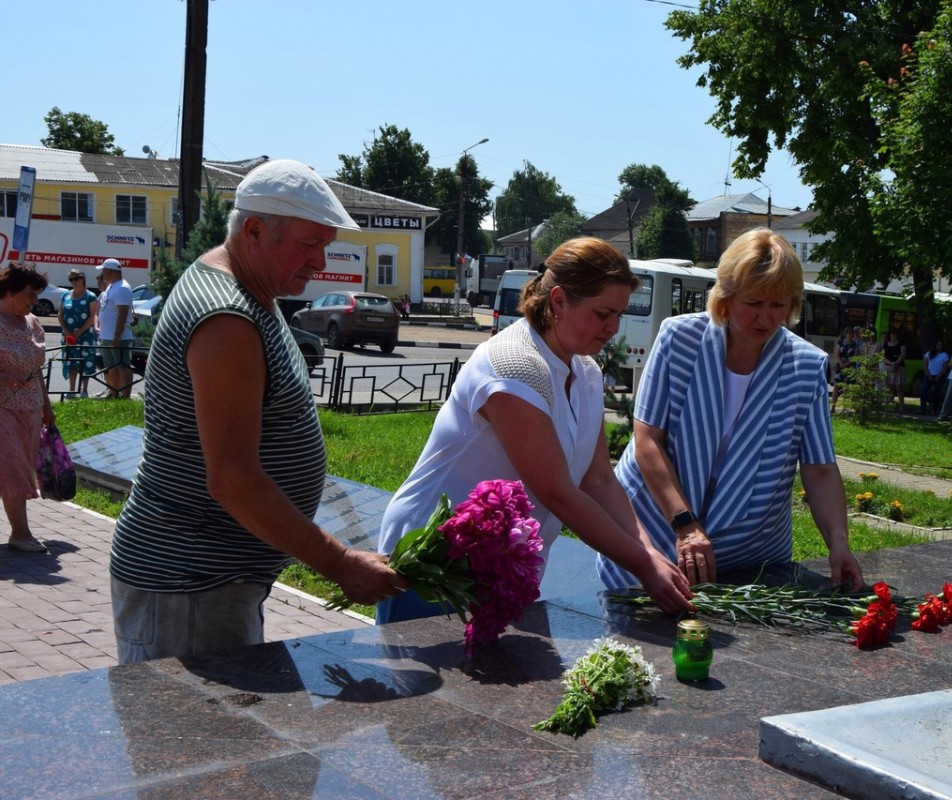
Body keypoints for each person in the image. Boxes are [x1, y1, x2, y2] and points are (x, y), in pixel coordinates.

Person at [109, 159, 404, 664]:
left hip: (211, 582)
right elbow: (233, 478)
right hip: (190, 585)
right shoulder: (227, 319)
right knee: (200, 742)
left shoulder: (246, 290)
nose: (320, 261)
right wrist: (341, 564)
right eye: (309, 244)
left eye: (326, 245)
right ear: (253, 230)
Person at [377, 236, 693, 623]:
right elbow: (557, 492)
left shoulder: (586, 371)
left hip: (501, 558)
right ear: (559, 301)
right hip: (435, 556)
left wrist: (649, 553)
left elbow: (598, 481)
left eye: (619, 315)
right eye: (603, 314)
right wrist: (643, 566)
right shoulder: (515, 366)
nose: (613, 327)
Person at [596, 228, 865, 592]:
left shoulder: (807, 365)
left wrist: (839, 543)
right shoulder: (679, 338)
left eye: (779, 305)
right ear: (726, 296)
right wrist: (685, 523)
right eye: (753, 303)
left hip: (750, 554)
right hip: (658, 529)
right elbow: (648, 440)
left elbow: (819, 469)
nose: (766, 319)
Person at [0, 264, 56, 553]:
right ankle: (21, 534)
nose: (34, 302)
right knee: (14, 468)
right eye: (30, 295)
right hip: (3, 408)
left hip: (31, 407)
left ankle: (19, 532)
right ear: (10, 292)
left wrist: (47, 406)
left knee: (16, 467)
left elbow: (36, 370)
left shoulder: (32, 322)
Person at [95, 258, 135, 399]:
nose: (102, 274)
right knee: (111, 366)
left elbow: (123, 314)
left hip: (118, 337)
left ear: (111, 271)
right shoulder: (111, 287)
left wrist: (117, 336)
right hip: (107, 335)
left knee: (122, 365)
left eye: (103, 270)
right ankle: (113, 393)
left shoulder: (122, 288)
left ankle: (125, 395)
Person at [57, 268, 99, 398]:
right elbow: (60, 314)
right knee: (71, 361)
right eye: (71, 279)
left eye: (76, 278)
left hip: (85, 335)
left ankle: (84, 390)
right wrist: (67, 331)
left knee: (85, 361)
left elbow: (92, 317)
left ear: (82, 278)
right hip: (69, 336)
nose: (74, 281)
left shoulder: (90, 296)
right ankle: (71, 390)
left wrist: (79, 332)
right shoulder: (65, 295)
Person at [919, 339, 948, 415]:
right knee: (923, 390)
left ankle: (935, 410)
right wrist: (928, 374)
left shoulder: (944, 355)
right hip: (929, 375)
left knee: (937, 392)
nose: (939, 346)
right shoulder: (929, 354)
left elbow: (945, 367)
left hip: (939, 376)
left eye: (941, 345)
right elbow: (925, 365)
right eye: (938, 345)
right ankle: (923, 408)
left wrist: (939, 376)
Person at [882, 329, 907, 412]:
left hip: (899, 367)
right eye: (892, 334)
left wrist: (895, 363)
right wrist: (890, 363)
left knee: (898, 388)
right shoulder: (885, 344)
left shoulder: (902, 344)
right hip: (888, 367)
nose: (894, 336)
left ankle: (901, 408)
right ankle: (889, 406)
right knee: (889, 387)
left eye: (895, 334)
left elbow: (902, 355)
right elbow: (882, 356)